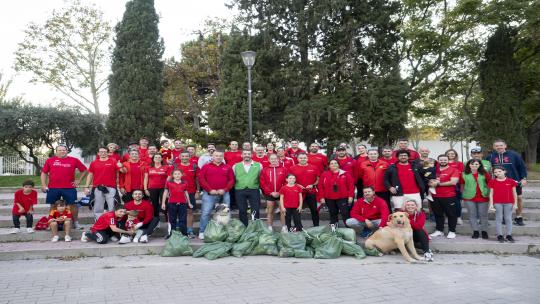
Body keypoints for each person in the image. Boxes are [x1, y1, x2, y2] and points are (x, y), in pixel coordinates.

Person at [41, 145, 87, 229]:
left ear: (67, 151)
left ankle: (75, 223)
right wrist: (43, 184)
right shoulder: (50, 160)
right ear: (56, 151)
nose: (62, 152)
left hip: (69, 187)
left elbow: (84, 170)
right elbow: (44, 173)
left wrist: (79, 180)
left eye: (64, 150)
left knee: (73, 205)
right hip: (53, 187)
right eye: (60, 150)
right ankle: (51, 222)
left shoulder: (74, 160)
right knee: (53, 205)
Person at [485, 139, 527, 226]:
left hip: (514, 181)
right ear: (494, 147)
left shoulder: (514, 155)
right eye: (497, 146)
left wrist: (524, 178)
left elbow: (522, 167)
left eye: (501, 145)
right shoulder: (490, 157)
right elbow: (486, 170)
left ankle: (519, 217)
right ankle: (505, 216)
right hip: (498, 182)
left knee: (519, 198)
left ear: (505, 146)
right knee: (502, 199)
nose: (499, 147)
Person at [198, 150, 234, 239]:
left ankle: (224, 231)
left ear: (223, 157)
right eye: (216, 156)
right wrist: (209, 190)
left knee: (225, 213)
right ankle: (202, 231)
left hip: (224, 193)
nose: (218, 157)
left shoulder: (227, 167)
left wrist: (225, 189)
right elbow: (201, 179)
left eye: (220, 156)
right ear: (212, 157)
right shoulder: (206, 167)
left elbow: (232, 180)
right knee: (206, 213)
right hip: (209, 193)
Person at [85, 147, 122, 220]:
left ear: (108, 153)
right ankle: (98, 224)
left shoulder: (113, 161)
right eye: (101, 152)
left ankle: (112, 224)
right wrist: (86, 187)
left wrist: (121, 166)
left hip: (111, 187)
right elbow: (90, 175)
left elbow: (120, 172)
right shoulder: (94, 162)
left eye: (105, 152)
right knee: (98, 208)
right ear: (98, 153)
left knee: (112, 207)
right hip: (97, 188)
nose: (103, 153)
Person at [429, 154, 460, 239]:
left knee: (451, 214)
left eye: (445, 160)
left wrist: (438, 184)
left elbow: (453, 182)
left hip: (449, 196)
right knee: (438, 214)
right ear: (438, 160)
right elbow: (428, 179)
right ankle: (439, 230)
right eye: (441, 160)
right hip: (435, 196)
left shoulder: (453, 170)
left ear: (448, 160)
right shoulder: (434, 170)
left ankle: (452, 231)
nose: (443, 161)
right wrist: (430, 183)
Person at [318, 160, 355, 226]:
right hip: (329, 197)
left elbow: (351, 186)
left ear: (338, 165)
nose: (333, 164)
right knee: (332, 212)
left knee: (345, 213)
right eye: (331, 163)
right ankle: (334, 226)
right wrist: (321, 197)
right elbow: (320, 187)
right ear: (329, 166)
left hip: (343, 197)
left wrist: (351, 196)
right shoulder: (324, 174)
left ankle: (348, 227)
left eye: (335, 163)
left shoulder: (346, 174)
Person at [461, 159, 491, 239]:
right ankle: (475, 231)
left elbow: (489, 184)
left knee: (483, 215)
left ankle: (484, 231)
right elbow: (462, 185)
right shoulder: (464, 174)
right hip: (469, 197)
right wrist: (462, 194)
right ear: (469, 165)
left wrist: (488, 193)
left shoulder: (485, 173)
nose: (474, 166)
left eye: (477, 164)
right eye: (472, 164)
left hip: (483, 196)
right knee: (472, 215)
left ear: (480, 165)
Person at [289, 153, 320, 227]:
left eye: (304, 158)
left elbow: (318, 179)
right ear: (297, 159)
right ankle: (298, 227)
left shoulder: (314, 167)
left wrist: (313, 185)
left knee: (314, 210)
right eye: (301, 158)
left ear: (307, 158)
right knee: (297, 210)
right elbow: (290, 179)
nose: (303, 159)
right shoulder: (292, 168)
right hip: (298, 192)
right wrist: (297, 184)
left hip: (311, 192)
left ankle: (316, 226)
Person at [233, 150, 263, 226]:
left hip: (254, 189)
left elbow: (260, 177)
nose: (247, 155)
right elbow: (233, 177)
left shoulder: (259, 165)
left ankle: (255, 227)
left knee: (255, 209)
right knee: (242, 210)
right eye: (245, 154)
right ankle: (244, 227)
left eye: (248, 154)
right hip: (240, 189)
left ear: (252, 155)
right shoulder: (236, 166)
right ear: (242, 155)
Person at [488, 166, 518, 243]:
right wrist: (491, 204)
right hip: (497, 203)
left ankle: (509, 235)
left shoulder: (511, 181)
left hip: (509, 203)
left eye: (499, 171)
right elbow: (491, 194)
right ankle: (499, 235)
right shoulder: (492, 181)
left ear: (504, 171)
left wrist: (515, 204)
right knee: (499, 218)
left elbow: (515, 194)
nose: (497, 173)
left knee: (508, 219)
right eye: (495, 172)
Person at [260, 154, 288, 230]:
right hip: (270, 194)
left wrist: (280, 192)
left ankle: (284, 227)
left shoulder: (284, 169)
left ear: (278, 159)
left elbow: (287, 182)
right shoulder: (265, 169)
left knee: (283, 211)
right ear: (269, 160)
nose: (274, 160)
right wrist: (270, 192)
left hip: (281, 194)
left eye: (275, 158)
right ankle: (269, 227)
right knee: (270, 211)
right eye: (272, 159)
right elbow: (262, 183)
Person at [162, 169, 192, 238]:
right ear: (172, 175)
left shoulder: (185, 182)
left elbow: (186, 193)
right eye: (175, 174)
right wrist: (163, 203)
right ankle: (172, 235)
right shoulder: (169, 182)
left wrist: (189, 203)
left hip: (182, 203)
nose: (177, 175)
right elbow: (165, 192)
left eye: (179, 174)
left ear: (182, 174)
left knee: (183, 220)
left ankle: (184, 234)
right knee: (172, 220)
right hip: (172, 203)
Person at [176, 152, 199, 238]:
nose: (184, 157)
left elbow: (197, 179)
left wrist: (197, 191)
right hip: (177, 192)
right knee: (178, 212)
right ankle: (180, 230)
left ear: (190, 157)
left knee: (190, 212)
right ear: (179, 157)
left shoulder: (194, 166)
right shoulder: (175, 166)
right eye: (183, 156)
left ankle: (190, 231)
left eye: (186, 156)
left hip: (191, 192)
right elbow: (170, 179)